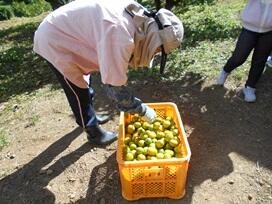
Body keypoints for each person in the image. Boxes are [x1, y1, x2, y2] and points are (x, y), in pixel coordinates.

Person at [33, 0, 184, 145]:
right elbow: (114, 88)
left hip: (73, 33)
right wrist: (142, 110)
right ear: (154, 38)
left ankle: (92, 116)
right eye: (158, 49)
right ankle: (93, 131)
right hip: (54, 39)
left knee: (86, 81)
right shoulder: (120, 35)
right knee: (77, 89)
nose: (155, 53)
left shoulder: (141, 17)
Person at [217, 0, 272, 102]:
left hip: (269, 31)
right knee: (239, 57)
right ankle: (225, 70)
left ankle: (250, 87)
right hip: (249, 28)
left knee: (259, 61)